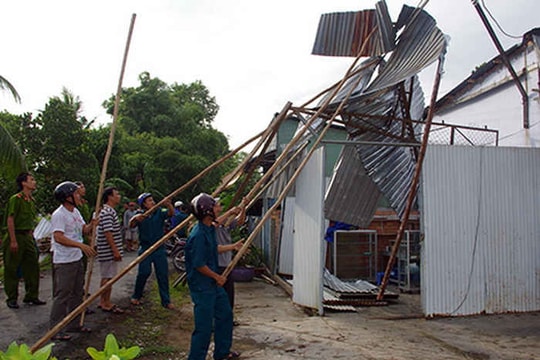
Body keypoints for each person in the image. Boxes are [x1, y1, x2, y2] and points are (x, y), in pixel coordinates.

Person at [185, 193, 240, 360]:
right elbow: (199, 264)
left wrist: (233, 246)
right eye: (215, 207)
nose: (218, 209)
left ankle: (222, 352)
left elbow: (214, 248)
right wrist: (217, 277)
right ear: (207, 211)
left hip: (212, 285)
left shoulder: (209, 229)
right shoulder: (198, 235)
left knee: (225, 315)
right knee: (204, 327)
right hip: (202, 286)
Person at [49, 181, 97, 341]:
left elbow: (84, 229)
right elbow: (58, 237)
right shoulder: (59, 214)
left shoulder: (75, 212)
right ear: (68, 197)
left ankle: (74, 323)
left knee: (77, 292)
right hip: (64, 261)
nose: (79, 196)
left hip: (76, 258)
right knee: (63, 294)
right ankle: (55, 329)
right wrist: (80, 245)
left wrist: (92, 224)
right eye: (76, 194)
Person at [2, 172, 46, 309]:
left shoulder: (31, 200)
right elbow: (10, 219)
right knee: (12, 267)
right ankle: (12, 298)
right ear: (24, 183)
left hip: (27, 236)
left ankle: (31, 295)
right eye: (31, 180)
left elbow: (30, 221)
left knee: (32, 265)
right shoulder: (16, 199)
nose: (34, 182)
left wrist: (31, 236)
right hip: (16, 235)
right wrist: (13, 240)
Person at [129, 192, 175, 309]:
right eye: (149, 200)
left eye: (152, 200)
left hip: (159, 248)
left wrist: (169, 204)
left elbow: (171, 213)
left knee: (162, 274)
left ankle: (166, 301)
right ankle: (136, 296)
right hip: (145, 248)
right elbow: (131, 225)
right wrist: (135, 218)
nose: (153, 202)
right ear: (143, 204)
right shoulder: (140, 214)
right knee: (143, 273)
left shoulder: (159, 212)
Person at [214, 198, 246, 325]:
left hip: (227, 263)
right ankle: (215, 320)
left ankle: (228, 319)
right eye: (217, 205)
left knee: (229, 295)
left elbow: (240, 221)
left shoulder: (224, 224)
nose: (220, 207)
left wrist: (243, 207)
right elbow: (215, 224)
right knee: (217, 295)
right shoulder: (211, 224)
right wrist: (230, 212)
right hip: (216, 265)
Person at [96, 186, 124, 314]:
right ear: (110, 197)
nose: (119, 196)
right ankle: (104, 301)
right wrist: (115, 250)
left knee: (109, 276)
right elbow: (108, 233)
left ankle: (106, 300)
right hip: (107, 251)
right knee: (107, 277)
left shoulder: (110, 211)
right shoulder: (107, 212)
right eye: (117, 194)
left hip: (109, 251)